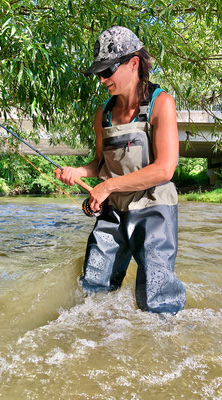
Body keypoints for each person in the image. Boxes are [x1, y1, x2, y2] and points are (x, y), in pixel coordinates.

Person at [55, 26, 186, 314]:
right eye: (99, 73)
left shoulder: (160, 103)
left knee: (156, 302)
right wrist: (79, 171)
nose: (102, 79)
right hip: (112, 213)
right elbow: (101, 164)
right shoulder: (102, 113)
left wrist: (108, 186)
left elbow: (165, 169)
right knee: (93, 288)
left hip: (154, 211)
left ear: (134, 63)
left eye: (108, 70)